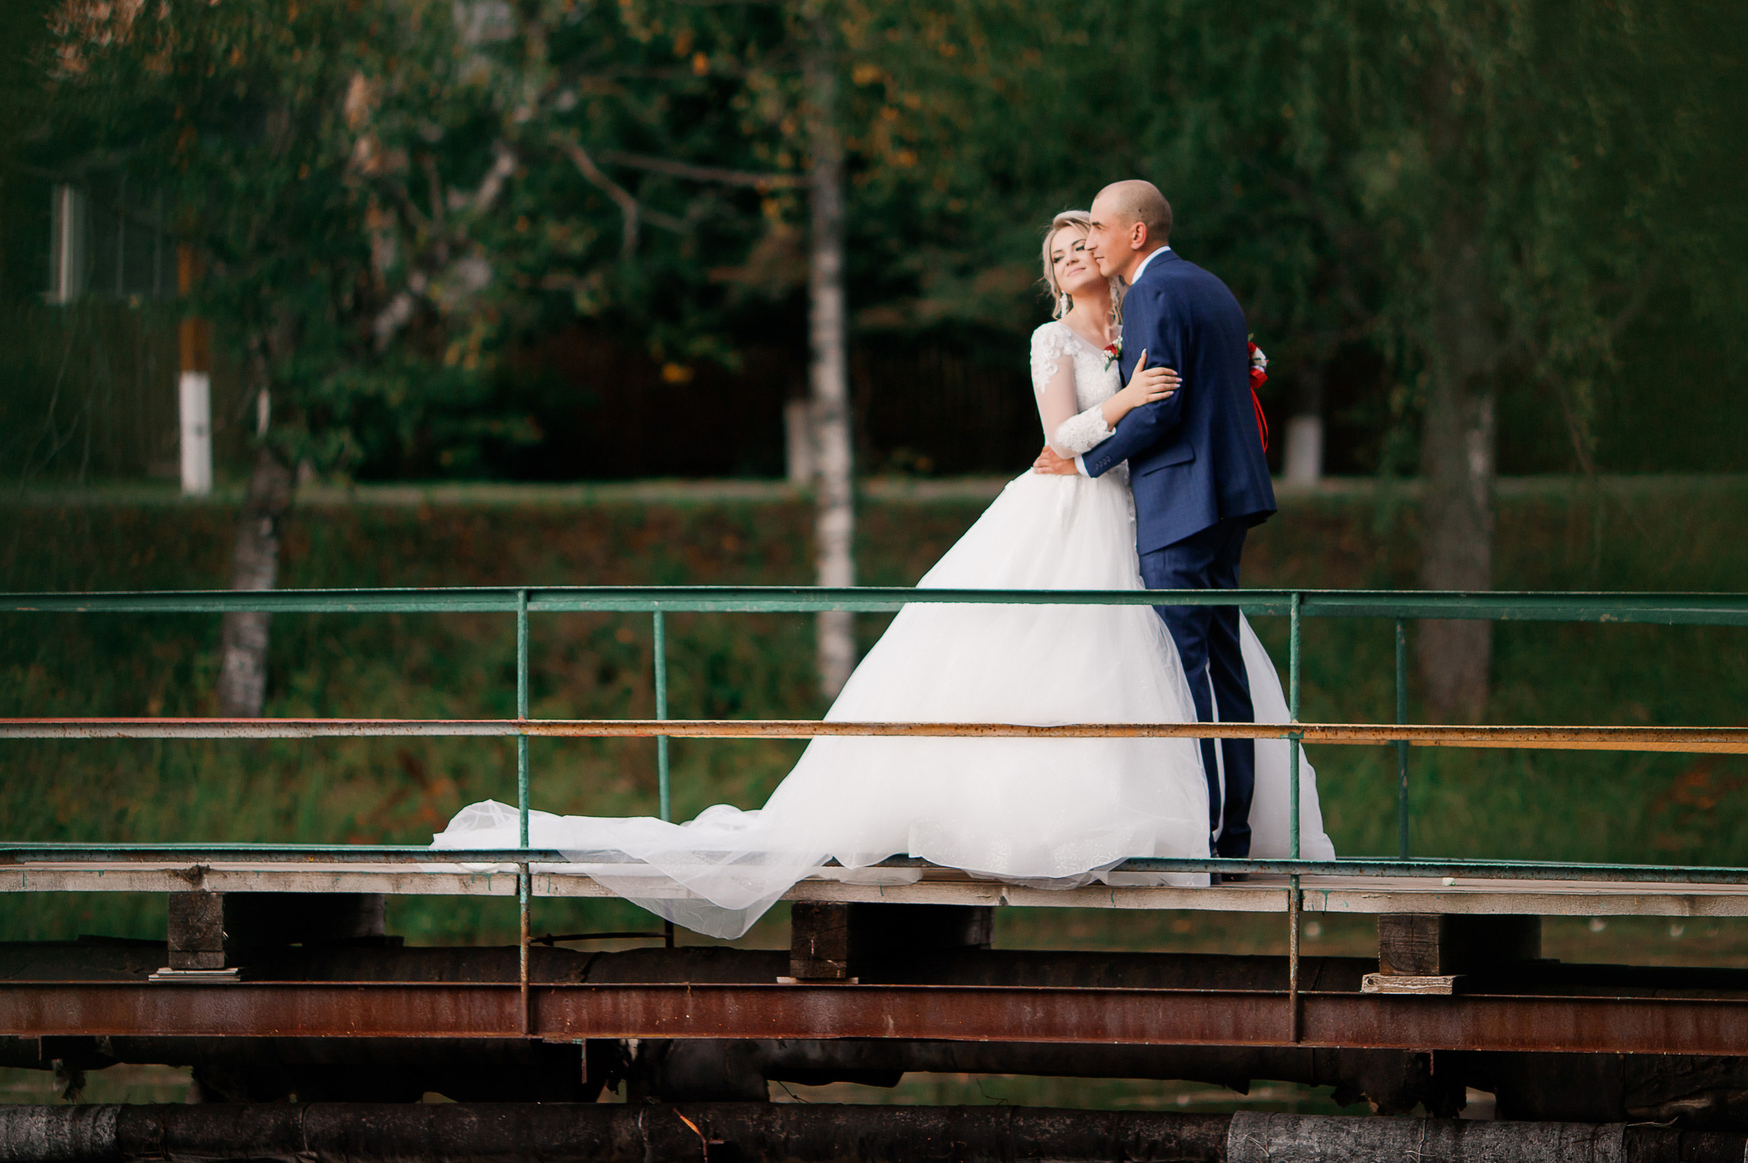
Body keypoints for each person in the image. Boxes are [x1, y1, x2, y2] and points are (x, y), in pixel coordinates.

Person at [432, 211, 1329, 939]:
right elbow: (1059, 438)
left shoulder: (1140, 324)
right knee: (1052, 658)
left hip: (1142, 515)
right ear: (1053, 276)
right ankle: (1046, 826)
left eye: (1083, 243)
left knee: (1161, 665)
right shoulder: (1051, 339)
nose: (1075, 256)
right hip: (1065, 509)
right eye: (1060, 253)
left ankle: (1197, 826)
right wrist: (1126, 400)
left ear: (1110, 251)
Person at [1037, 180, 1278, 863]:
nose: (1091, 244)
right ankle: (1233, 832)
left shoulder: (1151, 294)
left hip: (1180, 503)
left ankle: (1207, 834)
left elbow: (1162, 407)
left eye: (1098, 231)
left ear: (1134, 233)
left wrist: (1087, 464)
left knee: (1184, 668)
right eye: (1071, 246)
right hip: (1226, 497)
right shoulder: (1209, 285)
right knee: (1222, 667)